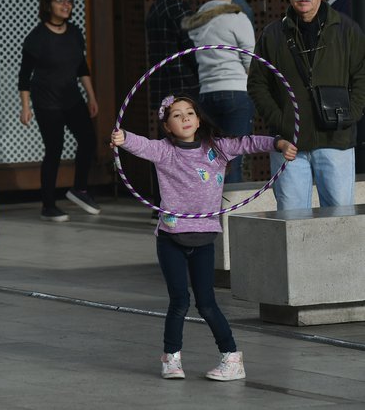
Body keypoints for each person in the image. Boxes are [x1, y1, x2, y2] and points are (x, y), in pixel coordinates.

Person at [111, 95, 296, 381]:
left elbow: (247, 143)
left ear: (198, 120)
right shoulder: (164, 151)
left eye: (190, 112)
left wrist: (278, 143)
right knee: (179, 301)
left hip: (204, 236)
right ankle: (171, 357)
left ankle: (232, 357)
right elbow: (141, 144)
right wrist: (122, 137)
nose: (184, 117)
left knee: (207, 303)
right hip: (171, 237)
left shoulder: (217, 148)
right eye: (176, 115)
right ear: (167, 126)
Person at [248, 0, 365, 211]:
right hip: (289, 144)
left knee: (340, 220)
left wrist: (351, 114)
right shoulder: (272, 35)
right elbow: (257, 83)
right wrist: (281, 121)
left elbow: (361, 76)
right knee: (291, 221)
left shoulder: (347, 30)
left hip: (336, 139)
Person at [18, 0, 100, 222]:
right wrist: (25, 107)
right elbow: (24, 76)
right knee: (54, 149)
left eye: (69, 0)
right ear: (48, 5)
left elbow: (82, 67)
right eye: (59, 0)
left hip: (71, 98)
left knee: (88, 140)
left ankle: (79, 189)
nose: (66, 4)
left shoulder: (74, 32)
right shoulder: (36, 38)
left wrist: (91, 97)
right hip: (47, 102)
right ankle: (48, 205)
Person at [182, 0, 255, 183]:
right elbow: (250, 59)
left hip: (206, 94)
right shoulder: (238, 18)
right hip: (236, 92)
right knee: (233, 157)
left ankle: (212, 202)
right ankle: (231, 205)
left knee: (211, 158)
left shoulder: (197, 20)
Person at [145, 0, 199, 221]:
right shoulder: (178, 8)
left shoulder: (154, 7)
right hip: (182, 85)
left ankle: (161, 203)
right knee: (185, 145)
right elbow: (191, 48)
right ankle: (183, 203)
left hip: (160, 86)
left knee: (164, 147)